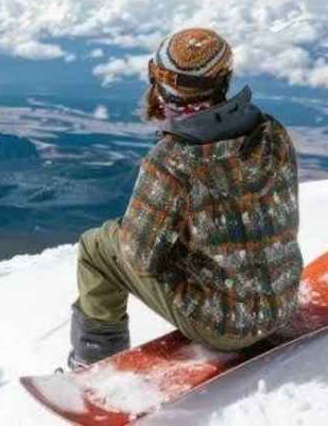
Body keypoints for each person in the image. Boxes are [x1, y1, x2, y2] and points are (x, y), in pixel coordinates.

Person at [67, 27, 303, 370]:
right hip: (283, 302)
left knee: (97, 248)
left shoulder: (172, 160)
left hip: (226, 327)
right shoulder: (271, 131)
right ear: (224, 79)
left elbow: (138, 258)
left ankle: (92, 367)